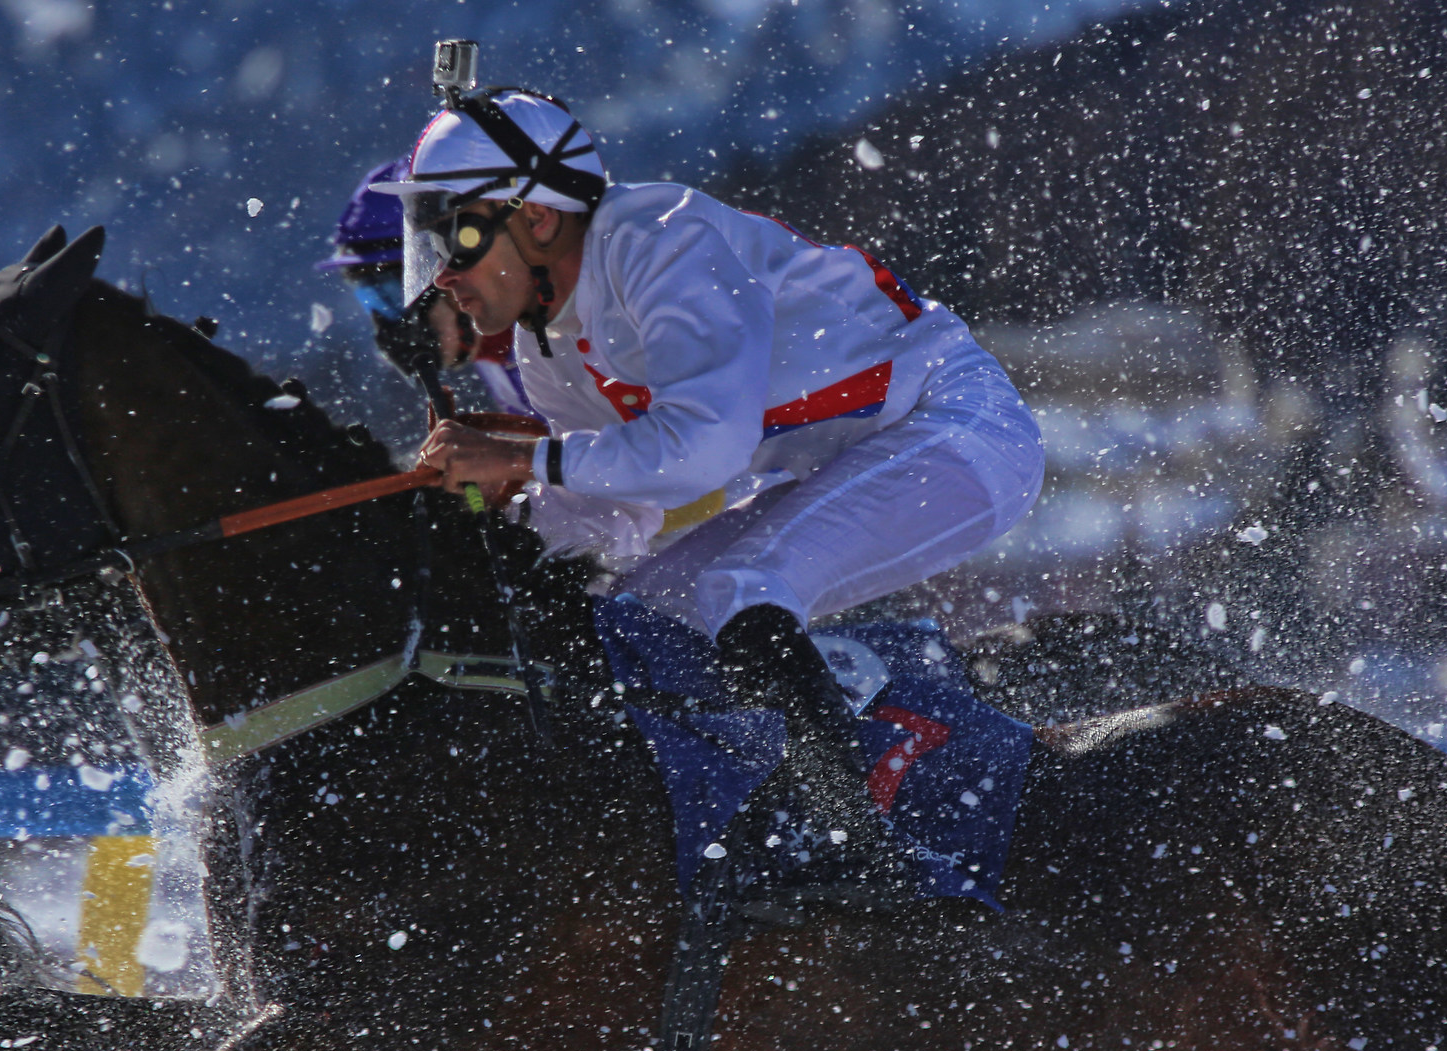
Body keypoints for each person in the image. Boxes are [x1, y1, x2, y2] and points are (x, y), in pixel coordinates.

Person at [383, 87, 1043, 894]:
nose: (444, 277)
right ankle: (770, 810)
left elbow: (703, 448)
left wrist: (525, 462)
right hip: (846, 460)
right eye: (433, 247)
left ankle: (862, 846)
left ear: (542, 218)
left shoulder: (660, 241)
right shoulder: (542, 346)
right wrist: (490, 531)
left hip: (957, 429)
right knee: (642, 616)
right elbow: (610, 515)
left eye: (458, 237)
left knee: (744, 587)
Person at [319, 159, 532, 420]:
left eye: (398, 291)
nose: (388, 325)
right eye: (371, 297)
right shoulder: (501, 351)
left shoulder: (571, 332)